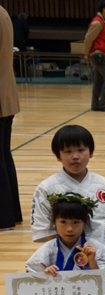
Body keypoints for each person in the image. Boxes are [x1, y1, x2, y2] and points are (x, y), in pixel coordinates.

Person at [31, 125, 105, 247]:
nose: (75, 156)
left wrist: (102, 251)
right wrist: (67, 251)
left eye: (80, 150)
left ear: (91, 152)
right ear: (58, 156)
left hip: (102, 252)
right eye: (68, 151)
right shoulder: (46, 189)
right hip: (63, 255)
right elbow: (45, 228)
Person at [26, 193, 105, 274]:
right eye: (63, 222)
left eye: (76, 222)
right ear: (53, 219)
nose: (69, 229)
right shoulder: (47, 250)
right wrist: (45, 274)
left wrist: (92, 261)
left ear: (86, 220)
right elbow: (32, 274)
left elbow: (103, 278)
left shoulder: (95, 248)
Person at [0, 6, 22, 230]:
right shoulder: (3, 12)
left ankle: (3, 218)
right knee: (4, 156)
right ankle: (12, 213)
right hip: (6, 95)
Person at [83, 0, 105, 112]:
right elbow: (88, 39)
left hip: (101, 55)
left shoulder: (104, 22)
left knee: (99, 81)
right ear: (104, 10)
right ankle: (102, 104)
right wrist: (86, 53)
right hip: (98, 56)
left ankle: (95, 105)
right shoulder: (98, 23)